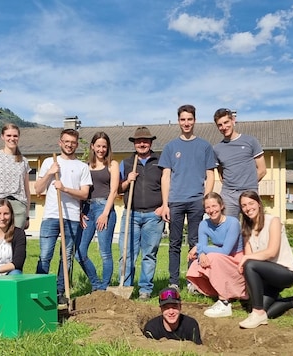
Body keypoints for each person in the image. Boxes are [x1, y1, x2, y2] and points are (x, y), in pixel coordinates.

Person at [159, 104, 217, 291]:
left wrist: (206, 200)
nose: (186, 123)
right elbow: (166, 176)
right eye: (183, 119)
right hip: (175, 201)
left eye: (189, 119)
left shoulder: (205, 146)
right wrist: (165, 204)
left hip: (196, 201)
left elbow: (210, 175)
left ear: (195, 120)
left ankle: (193, 280)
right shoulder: (170, 147)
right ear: (178, 121)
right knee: (174, 243)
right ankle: (174, 281)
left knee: (195, 242)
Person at [35, 129, 92, 306]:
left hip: (72, 218)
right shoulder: (49, 162)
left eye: (73, 142)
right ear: (60, 142)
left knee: (66, 257)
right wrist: (50, 173)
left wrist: (65, 188)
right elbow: (37, 189)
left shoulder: (82, 167)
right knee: (45, 255)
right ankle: (39, 290)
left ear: (76, 144)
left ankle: (60, 292)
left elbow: (84, 194)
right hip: (51, 215)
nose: (69, 145)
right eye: (66, 141)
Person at [237, 190, 293, 329]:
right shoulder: (247, 229)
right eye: (244, 205)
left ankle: (257, 313)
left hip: (286, 273)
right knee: (268, 312)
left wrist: (246, 257)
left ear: (259, 204)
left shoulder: (273, 221)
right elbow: (250, 258)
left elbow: (271, 252)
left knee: (250, 264)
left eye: (251, 203)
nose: (248, 208)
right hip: (267, 277)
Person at [118, 127, 165, 300]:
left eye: (145, 141)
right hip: (131, 214)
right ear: (134, 143)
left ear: (151, 142)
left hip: (154, 215)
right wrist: (127, 181)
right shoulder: (127, 163)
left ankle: (145, 289)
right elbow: (117, 189)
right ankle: (126, 286)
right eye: (139, 141)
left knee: (149, 253)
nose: (142, 144)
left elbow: (169, 186)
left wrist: (164, 206)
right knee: (127, 253)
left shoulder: (160, 161)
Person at [186, 192, 247, 318]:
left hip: (237, 259)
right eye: (207, 207)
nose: (211, 210)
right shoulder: (204, 224)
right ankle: (216, 291)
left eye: (214, 206)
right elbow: (203, 246)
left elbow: (226, 251)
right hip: (221, 257)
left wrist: (199, 248)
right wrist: (201, 254)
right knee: (195, 264)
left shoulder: (233, 222)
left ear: (222, 206)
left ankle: (225, 302)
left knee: (213, 258)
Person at [79, 132, 119, 291]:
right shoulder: (85, 165)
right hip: (87, 209)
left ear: (107, 147)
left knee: (105, 252)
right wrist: (80, 212)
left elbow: (114, 190)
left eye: (104, 146)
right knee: (79, 252)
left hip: (105, 207)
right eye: (98, 146)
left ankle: (104, 288)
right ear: (92, 146)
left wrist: (105, 214)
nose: (101, 149)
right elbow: (81, 190)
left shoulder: (112, 164)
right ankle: (96, 284)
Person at [213, 108, 266, 218]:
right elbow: (221, 174)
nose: (224, 127)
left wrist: (248, 184)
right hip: (228, 195)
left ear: (233, 120)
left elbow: (262, 170)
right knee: (228, 229)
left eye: (226, 122)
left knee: (254, 228)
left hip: (250, 192)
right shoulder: (217, 149)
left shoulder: (251, 141)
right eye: (220, 125)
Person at [0, 123, 31, 229]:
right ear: (2, 136)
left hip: (18, 206)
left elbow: (27, 190)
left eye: (15, 136)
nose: (12, 138)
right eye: (9, 135)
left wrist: (27, 215)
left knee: (15, 242)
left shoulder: (24, 161)